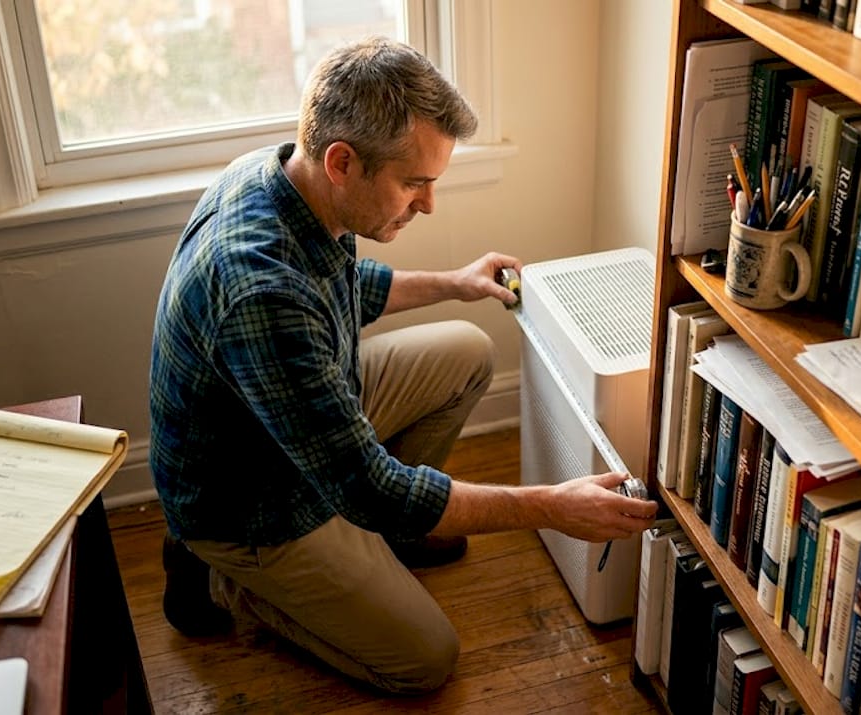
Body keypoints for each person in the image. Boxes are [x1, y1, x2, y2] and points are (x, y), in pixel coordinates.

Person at [148, 36, 657, 694]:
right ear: (342, 162)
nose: (429, 203)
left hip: (299, 427)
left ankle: (381, 542)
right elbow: (371, 487)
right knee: (425, 657)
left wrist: (456, 282)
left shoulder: (285, 179)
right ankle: (220, 577)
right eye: (414, 182)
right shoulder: (261, 288)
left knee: (466, 352)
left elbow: (340, 290)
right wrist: (551, 507)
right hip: (250, 503)